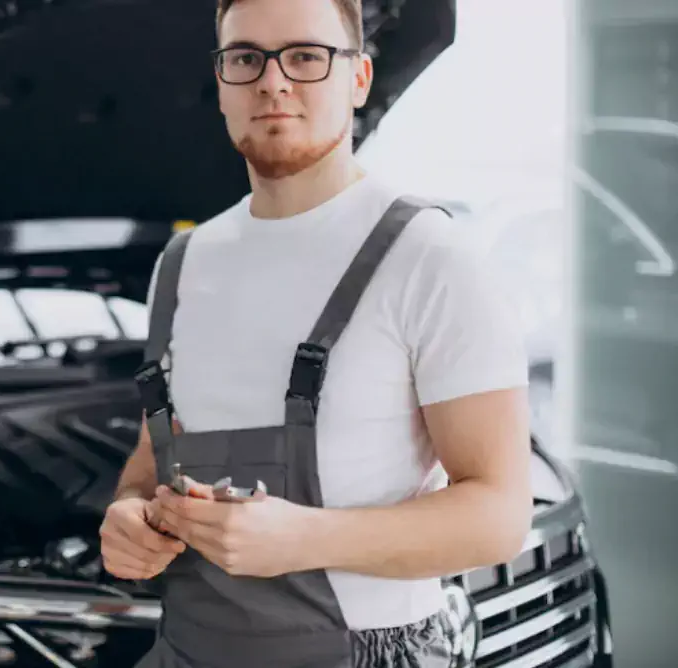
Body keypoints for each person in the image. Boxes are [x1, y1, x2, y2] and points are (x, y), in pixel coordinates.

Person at [97, 0, 534, 665]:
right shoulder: (182, 265)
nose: (273, 82)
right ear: (221, 84)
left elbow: (501, 517)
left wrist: (305, 540)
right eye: (246, 58)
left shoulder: (430, 258)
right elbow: (154, 457)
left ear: (358, 79)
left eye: (306, 55)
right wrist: (129, 513)